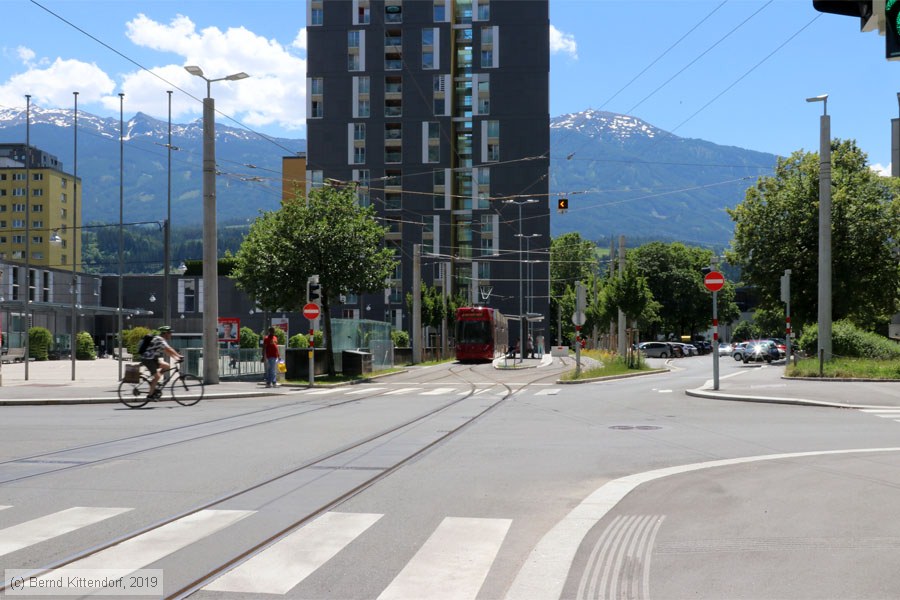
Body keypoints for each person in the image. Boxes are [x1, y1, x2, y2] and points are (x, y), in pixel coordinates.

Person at [141, 326, 183, 399]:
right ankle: (150, 395)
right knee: (158, 376)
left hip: (153, 359)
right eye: (169, 333)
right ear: (165, 333)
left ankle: (154, 382)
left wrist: (176, 358)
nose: (171, 334)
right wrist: (179, 356)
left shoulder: (160, 340)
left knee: (167, 366)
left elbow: (167, 352)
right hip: (148, 359)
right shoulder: (160, 340)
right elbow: (169, 349)